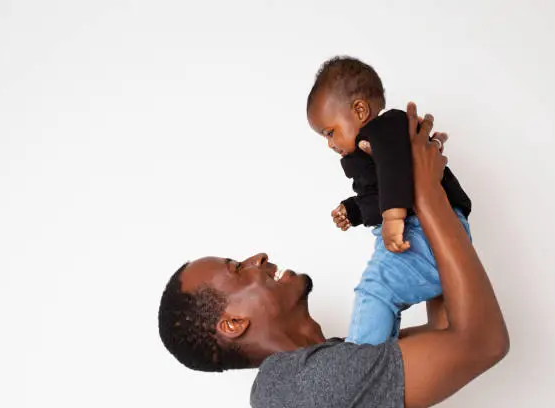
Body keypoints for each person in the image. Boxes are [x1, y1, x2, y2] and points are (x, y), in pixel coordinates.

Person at [157, 103, 509, 407]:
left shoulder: (333, 363)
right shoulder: (290, 388)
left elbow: (449, 331)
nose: (257, 258)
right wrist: (425, 192)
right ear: (234, 324)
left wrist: (413, 182)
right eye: (236, 269)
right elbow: (483, 342)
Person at [306, 56, 472, 345]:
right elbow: (381, 191)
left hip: (424, 230)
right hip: (415, 229)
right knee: (380, 295)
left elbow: (395, 169)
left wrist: (394, 217)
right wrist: (354, 209)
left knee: (376, 290)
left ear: (359, 110)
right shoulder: (371, 150)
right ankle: (374, 355)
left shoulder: (388, 127)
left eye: (330, 132)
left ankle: (358, 362)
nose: (330, 144)